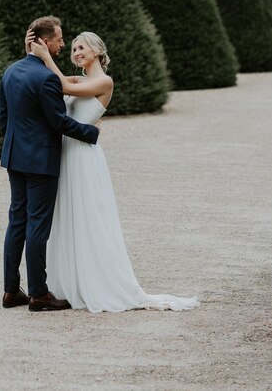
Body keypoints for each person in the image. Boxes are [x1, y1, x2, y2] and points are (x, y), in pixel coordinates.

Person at [27, 29, 199, 313]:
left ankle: (96, 282)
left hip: (83, 156)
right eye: (73, 49)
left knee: (88, 217)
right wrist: (33, 54)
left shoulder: (104, 81)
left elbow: (64, 89)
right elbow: (57, 84)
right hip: (65, 155)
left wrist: (46, 55)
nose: (76, 52)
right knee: (66, 217)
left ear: (96, 50)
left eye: (81, 47)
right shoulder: (79, 78)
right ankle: (70, 282)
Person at [0, 16, 99, 312]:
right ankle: (39, 295)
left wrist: (13, 147)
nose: (62, 44)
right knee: (38, 225)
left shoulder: (11, 71)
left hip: (15, 157)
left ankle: (9, 291)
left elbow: (4, 118)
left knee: (17, 220)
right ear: (44, 41)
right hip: (41, 160)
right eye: (58, 39)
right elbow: (59, 121)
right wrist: (91, 132)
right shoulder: (45, 78)